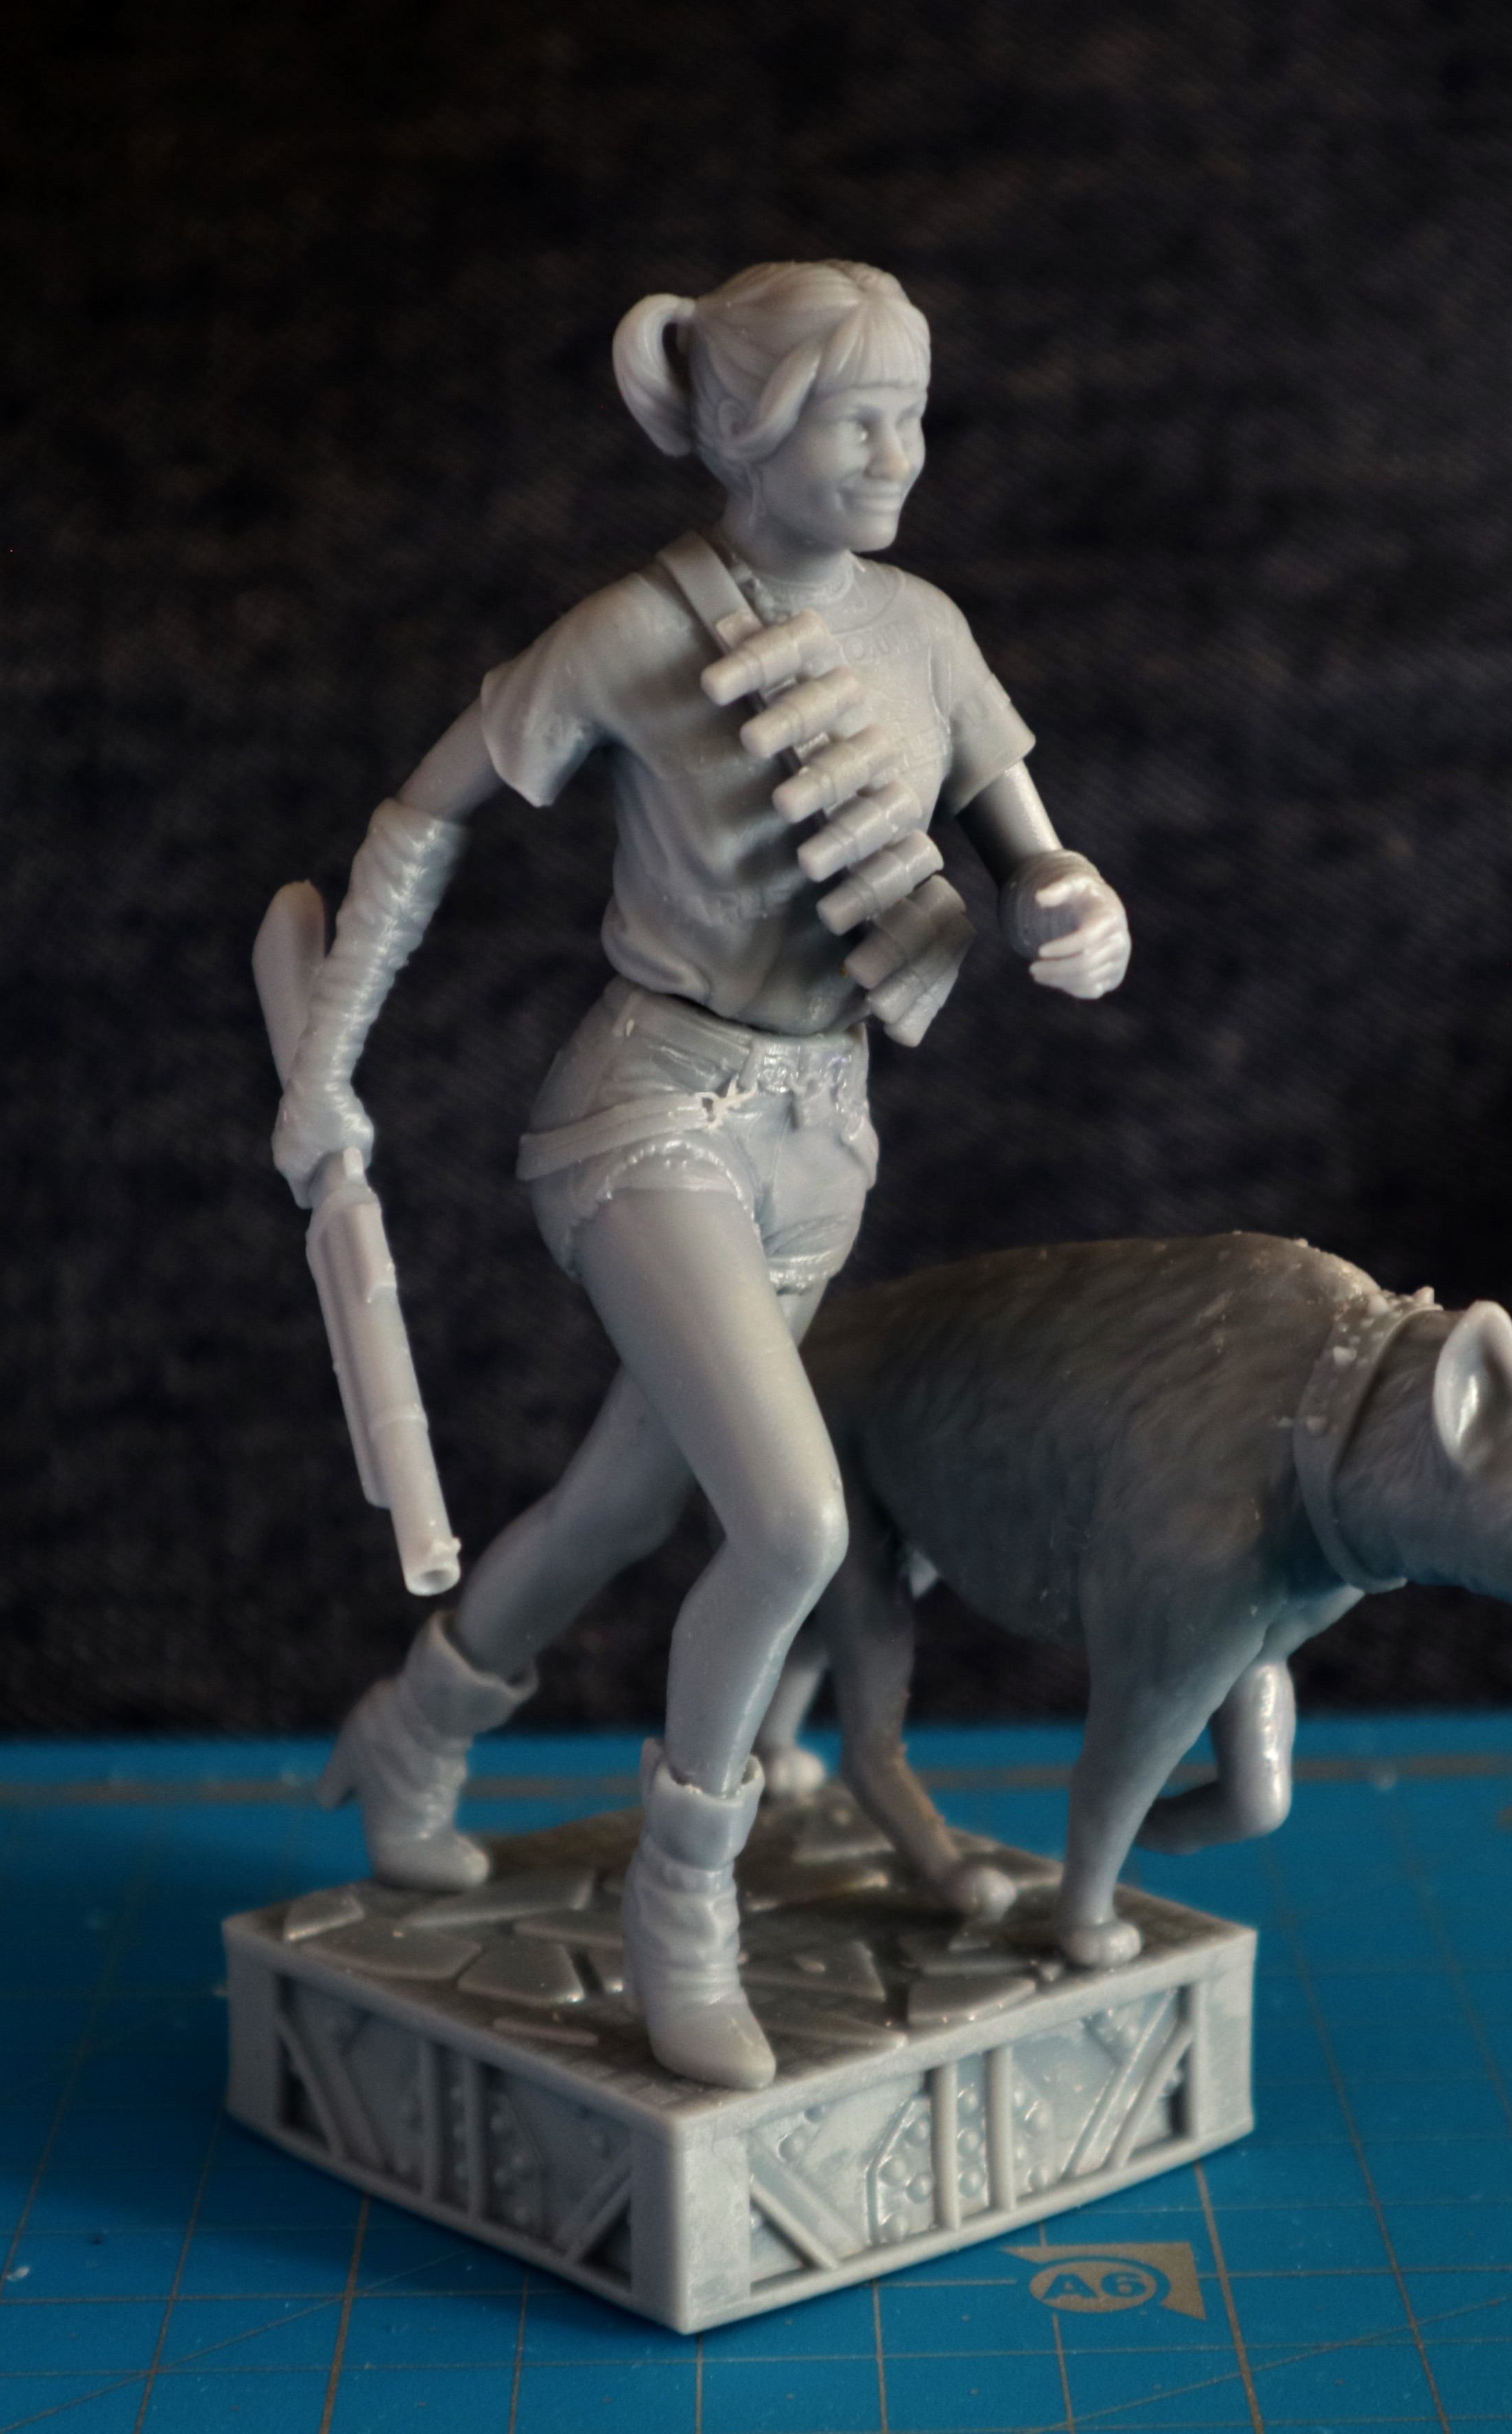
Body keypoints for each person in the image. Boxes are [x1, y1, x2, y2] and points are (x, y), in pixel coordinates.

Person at [272, 261, 1130, 2088]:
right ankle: (685, 1899)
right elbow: (418, 819)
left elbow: (1035, 858)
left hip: (827, 1133)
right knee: (795, 1525)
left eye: (912, 414)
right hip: (648, 1115)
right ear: (747, 434)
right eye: (855, 420)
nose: (898, 454)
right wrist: (328, 1068)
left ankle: (415, 1731)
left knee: (613, 1506)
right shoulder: (634, 630)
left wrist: (1075, 912)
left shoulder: (924, 630)